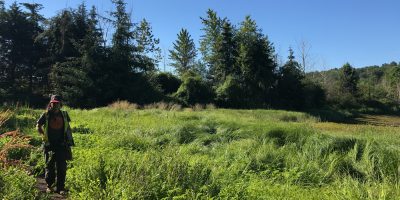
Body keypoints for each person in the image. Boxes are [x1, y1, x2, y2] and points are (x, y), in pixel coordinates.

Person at [36, 95, 74, 195]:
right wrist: (43, 136)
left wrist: (69, 141)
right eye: (53, 103)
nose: (55, 105)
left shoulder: (64, 114)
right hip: (49, 145)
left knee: (62, 167)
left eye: (57, 103)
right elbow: (38, 125)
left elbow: (68, 128)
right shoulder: (46, 115)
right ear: (50, 104)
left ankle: (60, 188)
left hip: (62, 145)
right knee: (49, 166)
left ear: (60, 104)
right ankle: (49, 186)